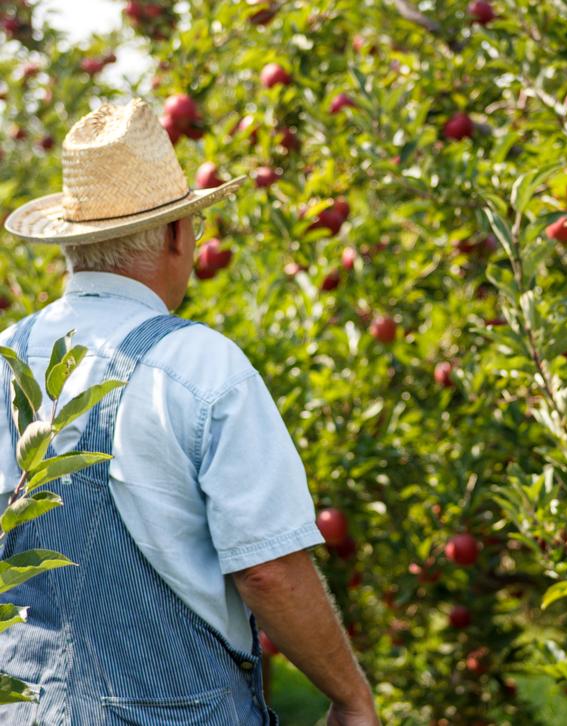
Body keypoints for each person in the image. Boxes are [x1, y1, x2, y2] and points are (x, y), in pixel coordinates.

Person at [0, 98, 379, 725]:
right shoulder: (199, 366)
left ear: (73, 246)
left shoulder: (9, 355)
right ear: (179, 235)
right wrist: (350, 697)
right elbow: (268, 572)